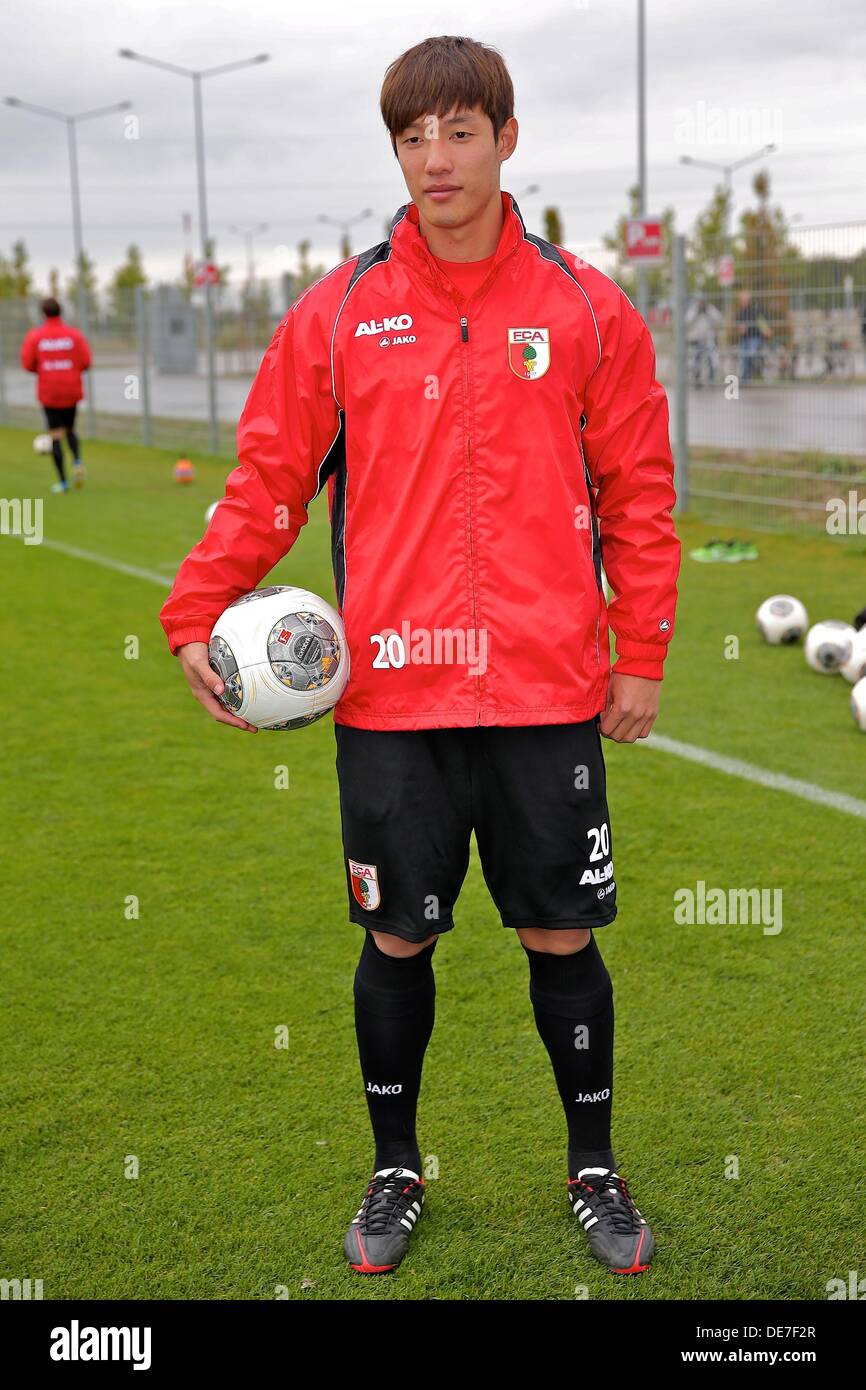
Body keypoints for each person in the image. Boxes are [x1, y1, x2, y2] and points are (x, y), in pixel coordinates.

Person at [159, 34, 680, 1279]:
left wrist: (641, 646)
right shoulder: (341, 307)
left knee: (560, 935)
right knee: (398, 938)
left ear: (506, 138)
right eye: (411, 137)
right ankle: (395, 1166)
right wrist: (196, 611)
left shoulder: (583, 304)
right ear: (393, 151)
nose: (435, 158)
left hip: (547, 685)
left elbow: (638, 491)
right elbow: (268, 477)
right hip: (391, 694)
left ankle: (592, 1168)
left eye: (458, 130)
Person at [20, 297, 91, 492]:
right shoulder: (74, 335)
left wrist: (46, 369)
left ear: (43, 314)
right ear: (61, 312)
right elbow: (86, 361)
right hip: (71, 390)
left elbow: (27, 364)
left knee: (55, 436)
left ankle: (63, 482)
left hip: (50, 392)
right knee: (70, 429)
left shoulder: (36, 336)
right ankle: (77, 462)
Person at [686, 295, 722, 385]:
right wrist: (696, 314)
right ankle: (697, 378)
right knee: (697, 359)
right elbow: (687, 321)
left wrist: (708, 314)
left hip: (709, 338)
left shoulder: (709, 309)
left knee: (711, 358)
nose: (701, 304)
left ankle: (711, 378)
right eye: (699, 302)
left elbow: (719, 319)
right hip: (697, 339)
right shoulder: (693, 310)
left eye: (702, 302)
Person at [735, 290, 763, 384]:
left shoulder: (754, 311)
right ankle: (745, 378)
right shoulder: (739, 312)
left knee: (751, 354)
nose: (744, 302)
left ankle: (753, 372)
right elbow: (738, 327)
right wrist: (740, 329)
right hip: (744, 339)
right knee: (743, 357)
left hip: (754, 337)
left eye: (746, 300)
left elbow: (760, 322)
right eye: (742, 300)